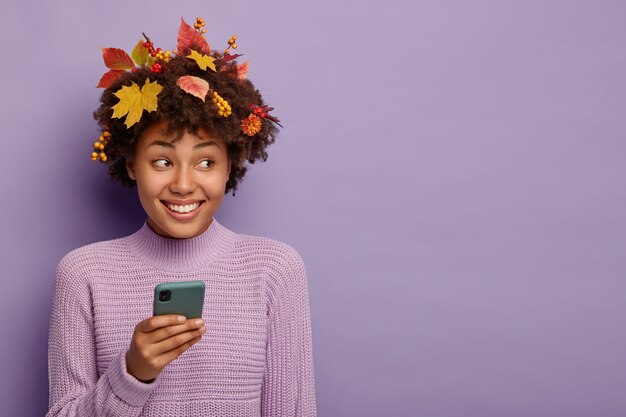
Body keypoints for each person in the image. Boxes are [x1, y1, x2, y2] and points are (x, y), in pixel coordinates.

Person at [47, 16, 317, 417]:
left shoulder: (274, 270)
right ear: (132, 164)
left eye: (206, 161)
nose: (184, 184)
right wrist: (132, 374)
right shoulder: (83, 274)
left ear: (231, 166)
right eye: (161, 161)